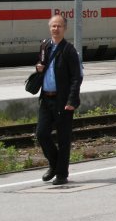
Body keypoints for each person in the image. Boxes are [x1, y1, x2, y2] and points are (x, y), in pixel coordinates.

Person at [34, 14, 82, 185]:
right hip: (46, 99)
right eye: (53, 26)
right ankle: (54, 165)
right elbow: (41, 64)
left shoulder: (69, 50)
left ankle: (61, 174)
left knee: (63, 139)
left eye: (59, 26)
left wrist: (71, 100)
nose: (56, 29)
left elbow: (77, 78)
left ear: (65, 29)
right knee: (41, 134)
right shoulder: (44, 45)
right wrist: (39, 67)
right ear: (50, 28)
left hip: (63, 100)